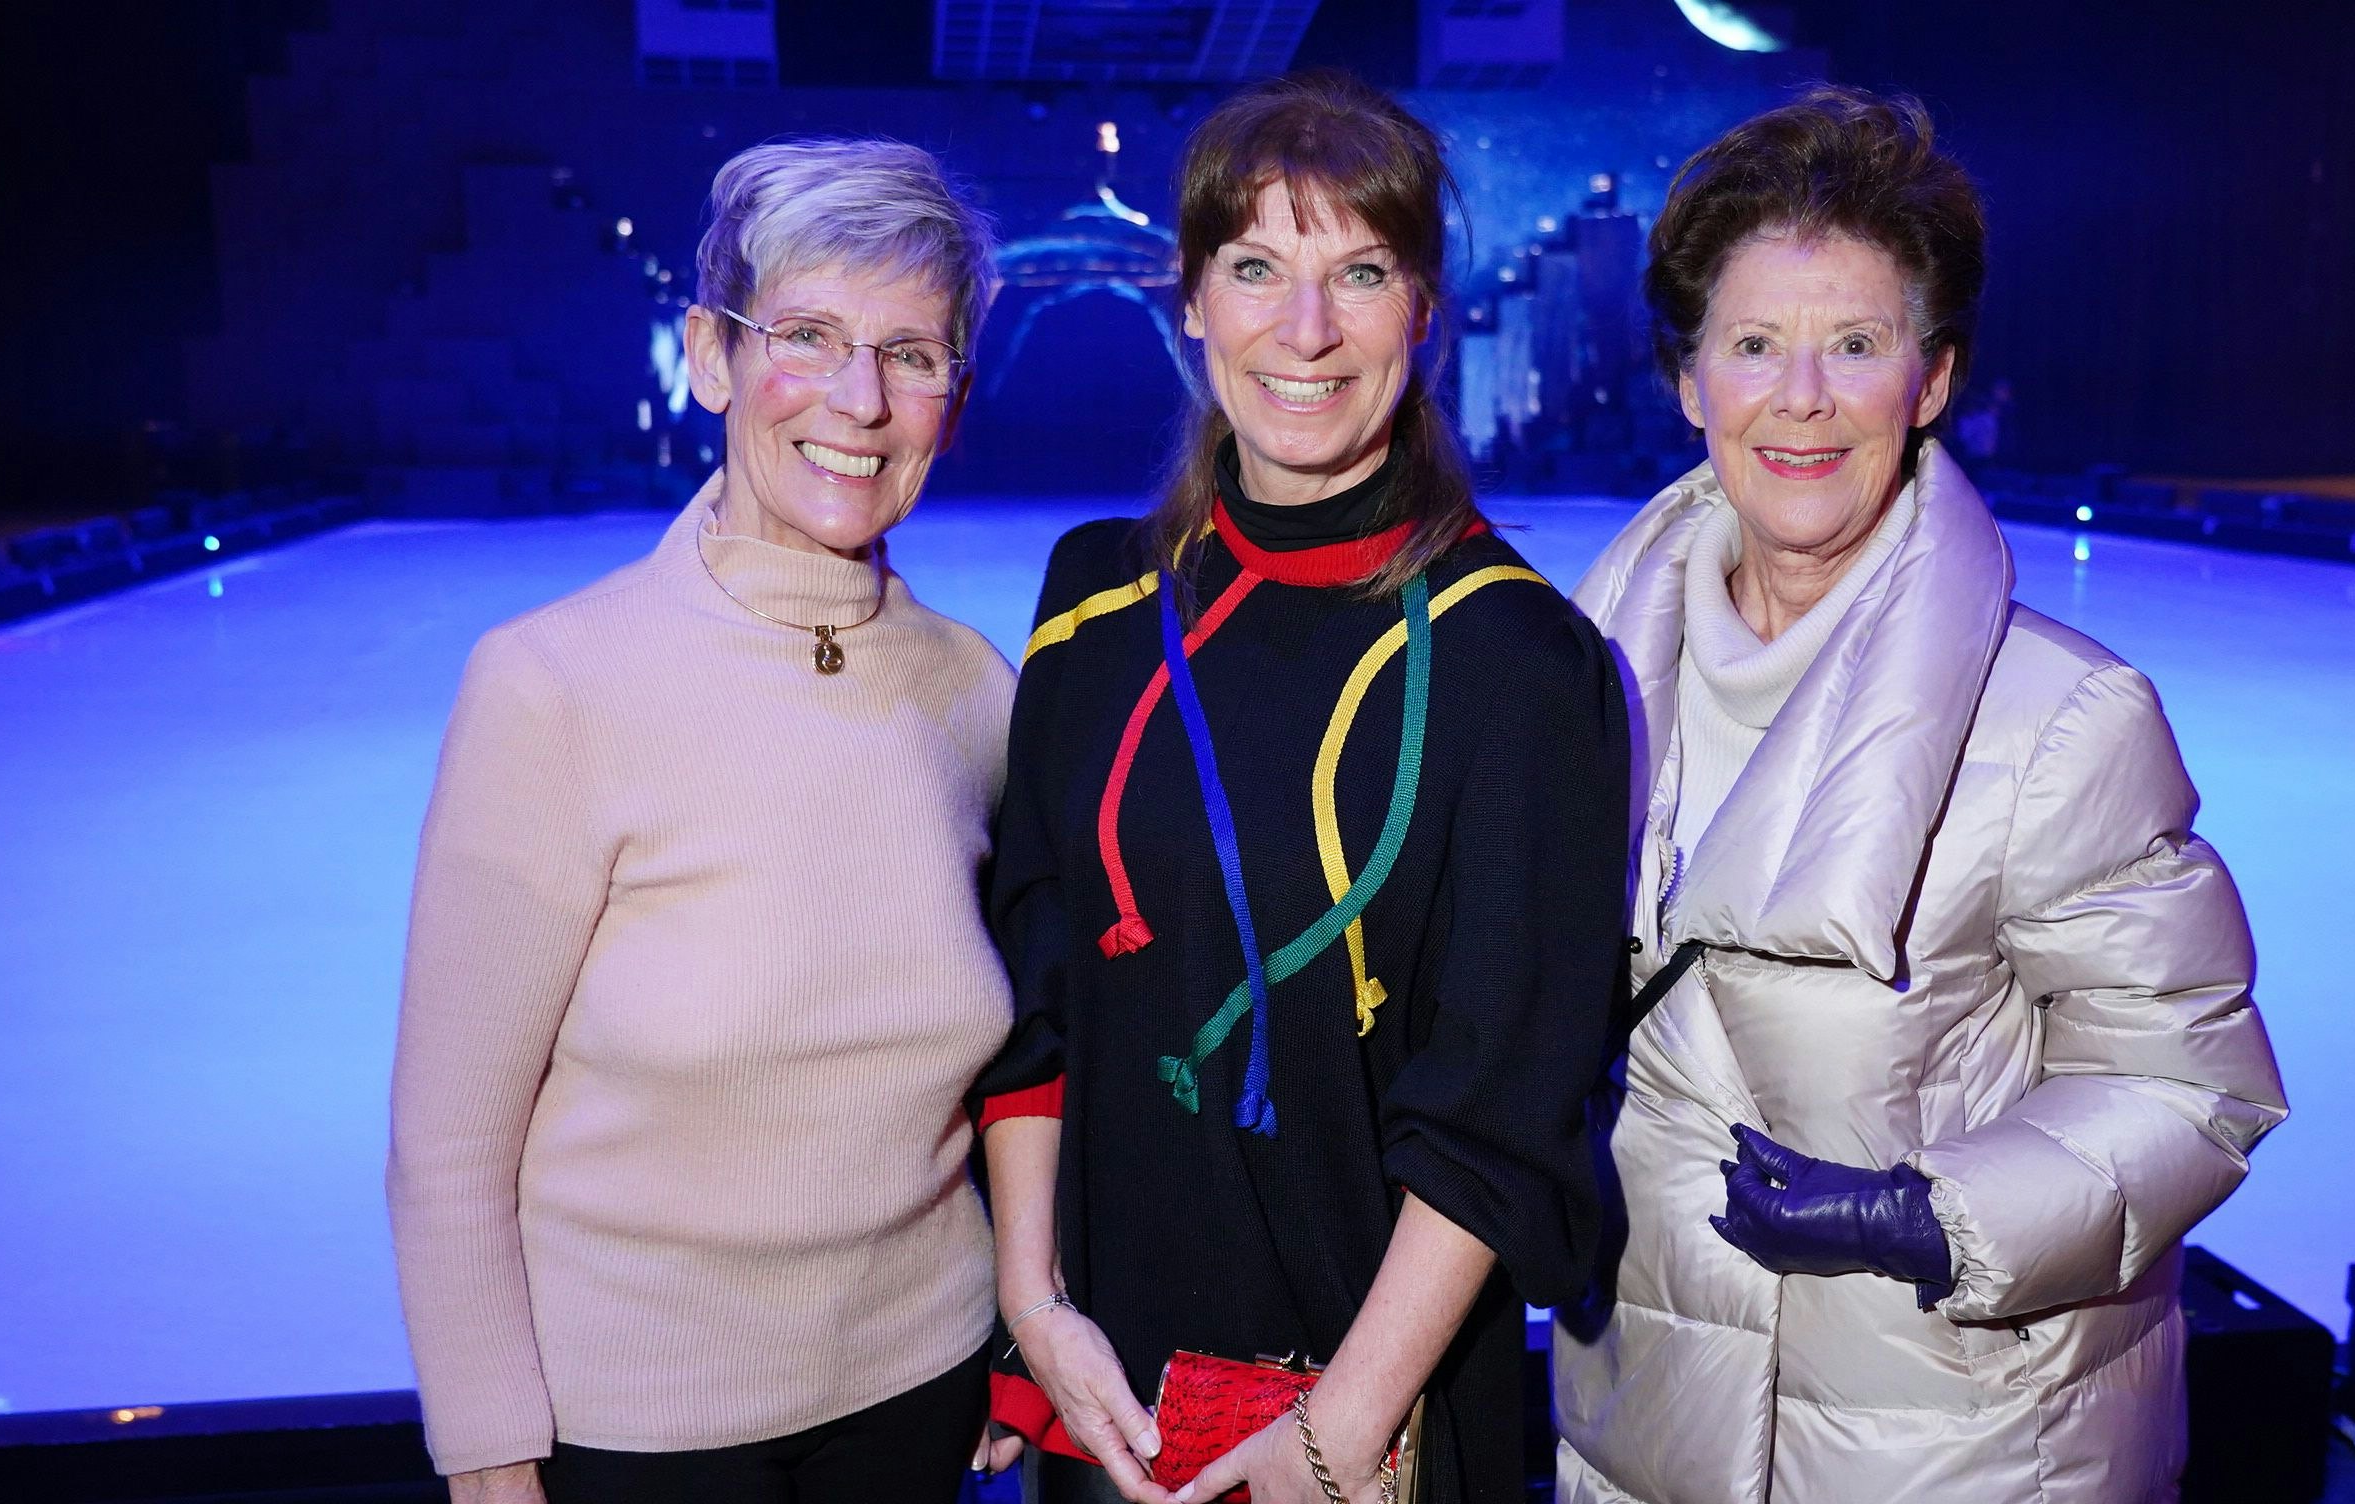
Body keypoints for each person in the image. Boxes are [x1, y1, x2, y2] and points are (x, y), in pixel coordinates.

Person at [1550, 87, 2288, 1503]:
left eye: (1857, 345)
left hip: (1961, 1443)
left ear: (1931, 379)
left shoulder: (2060, 718)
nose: (1804, 398)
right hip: (1649, 1423)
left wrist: (1930, 1219)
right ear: (1689, 380)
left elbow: (2190, 1085)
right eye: (1756, 345)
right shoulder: (1577, 683)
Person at [974, 71, 1629, 1504]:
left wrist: (1336, 1437)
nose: (1308, 329)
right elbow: (1038, 991)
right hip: (1107, 1399)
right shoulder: (1093, 599)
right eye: (1258, 268)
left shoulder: (1519, 658)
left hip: (1363, 1437)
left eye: (1362, 272)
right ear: (1193, 300)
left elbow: (1502, 1107)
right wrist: (1034, 1315)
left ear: (1425, 313)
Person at [389, 138, 1015, 1504]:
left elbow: (1000, 1067)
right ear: (711, 356)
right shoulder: (553, 682)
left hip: (925, 1391)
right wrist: (488, 1447)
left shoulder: (975, 691)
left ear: (952, 402)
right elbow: (448, 1141)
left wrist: (1014, 1336)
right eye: (808, 336)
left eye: (912, 355)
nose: (859, 399)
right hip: (640, 1429)